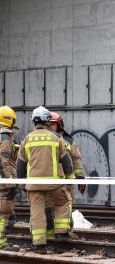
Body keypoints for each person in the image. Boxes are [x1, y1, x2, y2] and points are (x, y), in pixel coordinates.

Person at [16, 106, 74, 253]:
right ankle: (61, 232)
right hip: (53, 183)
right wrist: (70, 178)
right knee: (62, 203)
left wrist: (21, 183)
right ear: (47, 121)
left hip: (34, 184)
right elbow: (66, 161)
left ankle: (39, 244)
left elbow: (20, 165)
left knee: (37, 212)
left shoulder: (26, 140)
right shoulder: (56, 138)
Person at [48, 111, 86, 239]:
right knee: (47, 208)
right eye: (49, 124)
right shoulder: (44, 139)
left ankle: (64, 231)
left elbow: (76, 159)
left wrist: (80, 178)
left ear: (59, 125)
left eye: (53, 124)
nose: (50, 127)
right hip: (47, 180)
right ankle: (50, 231)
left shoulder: (68, 141)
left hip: (65, 179)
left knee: (66, 206)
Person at [0, 106, 20, 251]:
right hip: (4, 184)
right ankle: (1, 242)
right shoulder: (5, 137)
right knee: (6, 214)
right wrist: (9, 181)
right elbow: (3, 161)